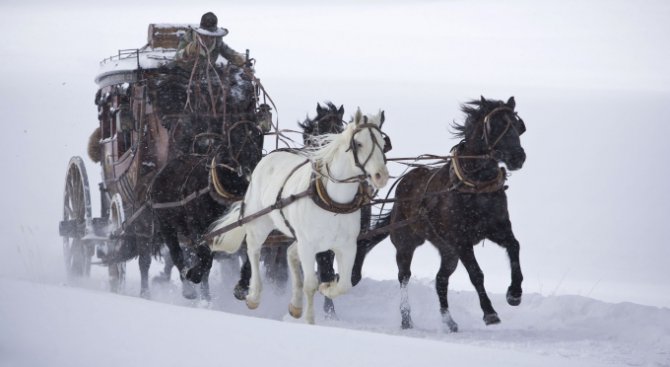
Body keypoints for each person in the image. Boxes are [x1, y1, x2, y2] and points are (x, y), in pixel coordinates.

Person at [175, 12, 246, 67]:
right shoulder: (189, 37)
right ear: (200, 33)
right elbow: (177, 57)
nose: (209, 38)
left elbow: (230, 54)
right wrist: (187, 51)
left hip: (208, 73)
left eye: (212, 36)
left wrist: (242, 61)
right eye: (205, 35)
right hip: (185, 73)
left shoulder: (217, 41)